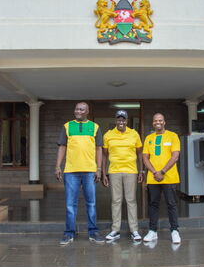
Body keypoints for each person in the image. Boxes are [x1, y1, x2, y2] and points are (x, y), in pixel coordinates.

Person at [55, 102, 105, 245]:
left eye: (82, 109)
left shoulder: (95, 127)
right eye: (77, 109)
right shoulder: (67, 126)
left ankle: (93, 232)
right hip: (71, 171)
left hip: (90, 170)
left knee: (91, 203)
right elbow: (62, 147)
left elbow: (99, 149)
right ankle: (69, 233)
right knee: (70, 204)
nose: (78, 111)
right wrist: (57, 166)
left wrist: (99, 169)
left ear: (87, 111)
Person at [102, 110, 144, 242]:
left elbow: (139, 154)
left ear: (126, 121)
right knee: (116, 200)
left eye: (123, 119)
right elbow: (104, 155)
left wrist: (141, 171)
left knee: (131, 200)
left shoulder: (134, 134)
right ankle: (115, 230)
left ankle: (134, 230)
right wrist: (104, 172)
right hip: (114, 171)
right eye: (119, 119)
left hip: (131, 171)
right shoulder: (108, 135)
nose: (121, 122)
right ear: (116, 120)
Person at [142, 113, 181, 244]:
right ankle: (152, 231)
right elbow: (145, 157)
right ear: (153, 123)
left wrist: (163, 171)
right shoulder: (148, 138)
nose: (158, 122)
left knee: (171, 204)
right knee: (153, 204)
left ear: (164, 122)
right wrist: (154, 172)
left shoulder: (173, 136)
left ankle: (175, 231)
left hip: (169, 177)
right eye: (155, 121)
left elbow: (175, 156)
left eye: (160, 120)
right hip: (153, 178)